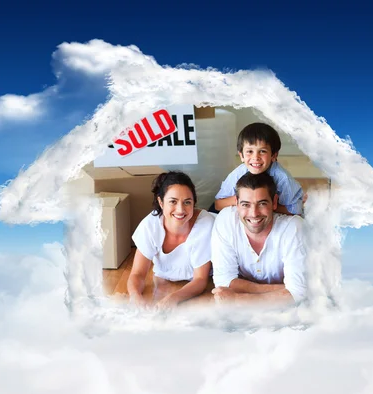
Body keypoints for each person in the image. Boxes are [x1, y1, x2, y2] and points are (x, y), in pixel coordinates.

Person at [211, 172, 307, 305]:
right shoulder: (226, 220)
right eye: (245, 204)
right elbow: (224, 282)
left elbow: (298, 295)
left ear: (274, 203)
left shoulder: (293, 228)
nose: (254, 213)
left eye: (262, 204)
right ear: (236, 204)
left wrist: (237, 299)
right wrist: (284, 290)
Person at [128, 171, 215, 310]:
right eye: (173, 202)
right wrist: (135, 296)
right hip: (164, 281)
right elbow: (137, 273)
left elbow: (200, 280)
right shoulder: (150, 225)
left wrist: (173, 298)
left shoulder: (205, 225)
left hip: (205, 285)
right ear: (161, 202)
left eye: (187, 202)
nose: (180, 210)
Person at [213, 122, 305, 215]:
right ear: (241, 155)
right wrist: (243, 201)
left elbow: (296, 211)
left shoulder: (283, 179)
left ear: (274, 155)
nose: (256, 157)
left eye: (262, 151)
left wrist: (265, 205)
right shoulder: (238, 173)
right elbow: (218, 204)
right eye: (249, 151)